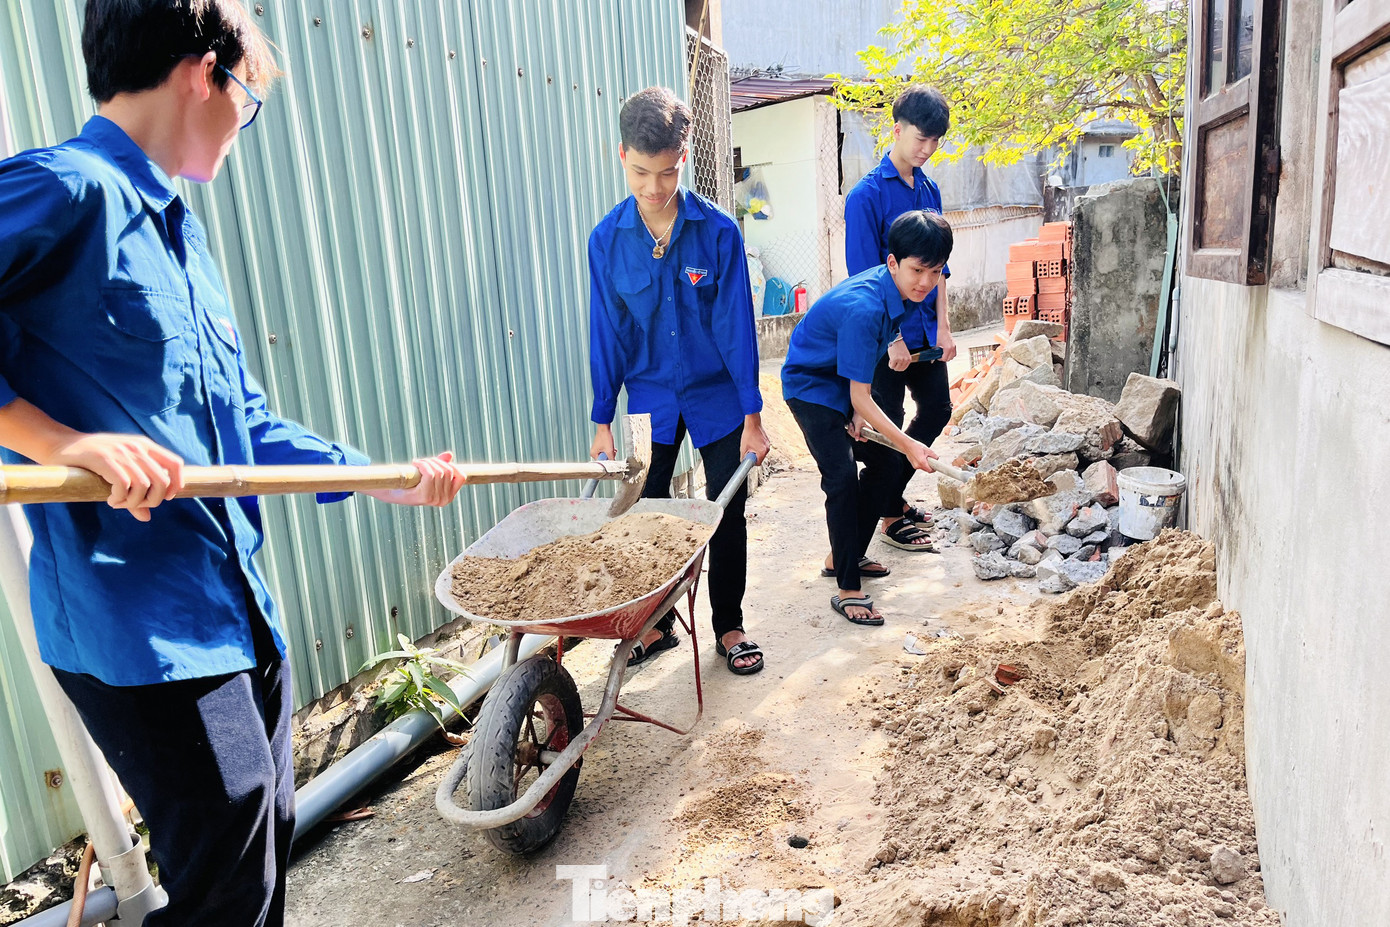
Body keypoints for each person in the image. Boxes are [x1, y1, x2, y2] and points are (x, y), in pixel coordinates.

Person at [0, 3, 464, 925]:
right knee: (229, 886)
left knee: (261, 852)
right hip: (138, 626)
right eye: (248, 100)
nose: (243, 125)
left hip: (236, 606)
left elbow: (241, 425)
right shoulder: (67, 189)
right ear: (200, 74)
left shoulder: (183, 235)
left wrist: (379, 475)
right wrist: (59, 442)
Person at [588, 87, 770, 676]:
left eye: (666, 172)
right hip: (649, 397)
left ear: (683, 157)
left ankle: (730, 624)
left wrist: (752, 416)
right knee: (647, 514)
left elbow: (737, 328)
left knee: (726, 509)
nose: (653, 187)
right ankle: (656, 623)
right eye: (641, 172)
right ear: (621, 156)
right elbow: (608, 331)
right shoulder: (606, 241)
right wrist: (601, 419)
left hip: (718, 395)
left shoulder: (718, 233)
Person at [782, 211, 953, 626]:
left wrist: (858, 413)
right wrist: (908, 443)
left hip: (841, 382)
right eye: (917, 270)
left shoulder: (897, 292)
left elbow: (862, 381)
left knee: (885, 463)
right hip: (810, 387)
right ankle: (848, 587)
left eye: (934, 272)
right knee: (840, 477)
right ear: (893, 262)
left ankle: (844, 554)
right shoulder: (866, 306)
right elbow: (861, 392)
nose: (926, 282)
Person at [836, 84, 956, 564]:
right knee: (886, 435)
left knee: (938, 409)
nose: (927, 149)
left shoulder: (930, 190)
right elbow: (865, 279)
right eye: (920, 138)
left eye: (935, 141)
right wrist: (895, 338)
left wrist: (944, 327)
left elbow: (940, 268)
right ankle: (883, 520)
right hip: (884, 338)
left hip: (927, 331)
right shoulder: (865, 196)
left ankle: (891, 499)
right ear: (897, 130)